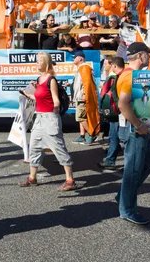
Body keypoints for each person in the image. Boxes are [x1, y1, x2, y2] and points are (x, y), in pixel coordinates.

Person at [19, 52, 76, 191]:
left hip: (50, 118)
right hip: (39, 118)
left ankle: (70, 180)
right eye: (36, 61)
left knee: (58, 148)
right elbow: (39, 97)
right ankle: (32, 178)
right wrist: (27, 94)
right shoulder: (39, 79)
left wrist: (56, 107)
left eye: (39, 61)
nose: (36, 63)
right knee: (34, 147)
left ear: (45, 63)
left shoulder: (51, 80)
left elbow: (55, 99)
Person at [116, 42, 150, 225]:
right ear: (140, 55)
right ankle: (127, 210)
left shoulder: (133, 75)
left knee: (148, 164)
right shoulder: (130, 76)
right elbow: (123, 104)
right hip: (134, 129)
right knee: (133, 170)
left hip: (138, 128)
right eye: (148, 53)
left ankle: (124, 196)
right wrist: (138, 125)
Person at [98, 57, 126, 170]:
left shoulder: (113, 77)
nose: (104, 65)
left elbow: (104, 94)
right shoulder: (125, 75)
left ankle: (111, 160)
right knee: (118, 135)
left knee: (116, 135)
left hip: (116, 110)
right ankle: (111, 159)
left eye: (105, 63)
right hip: (122, 109)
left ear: (113, 65)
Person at [70, 51, 99, 145]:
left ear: (80, 59)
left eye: (75, 57)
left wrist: (85, 94)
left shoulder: (84, 68)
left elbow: (87, 83)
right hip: (80, 97)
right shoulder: (82, 68)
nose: (73, 59)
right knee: (82, 117)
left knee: (80, 117)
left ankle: (92, 133)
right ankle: (82, 136)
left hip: (82, 97)